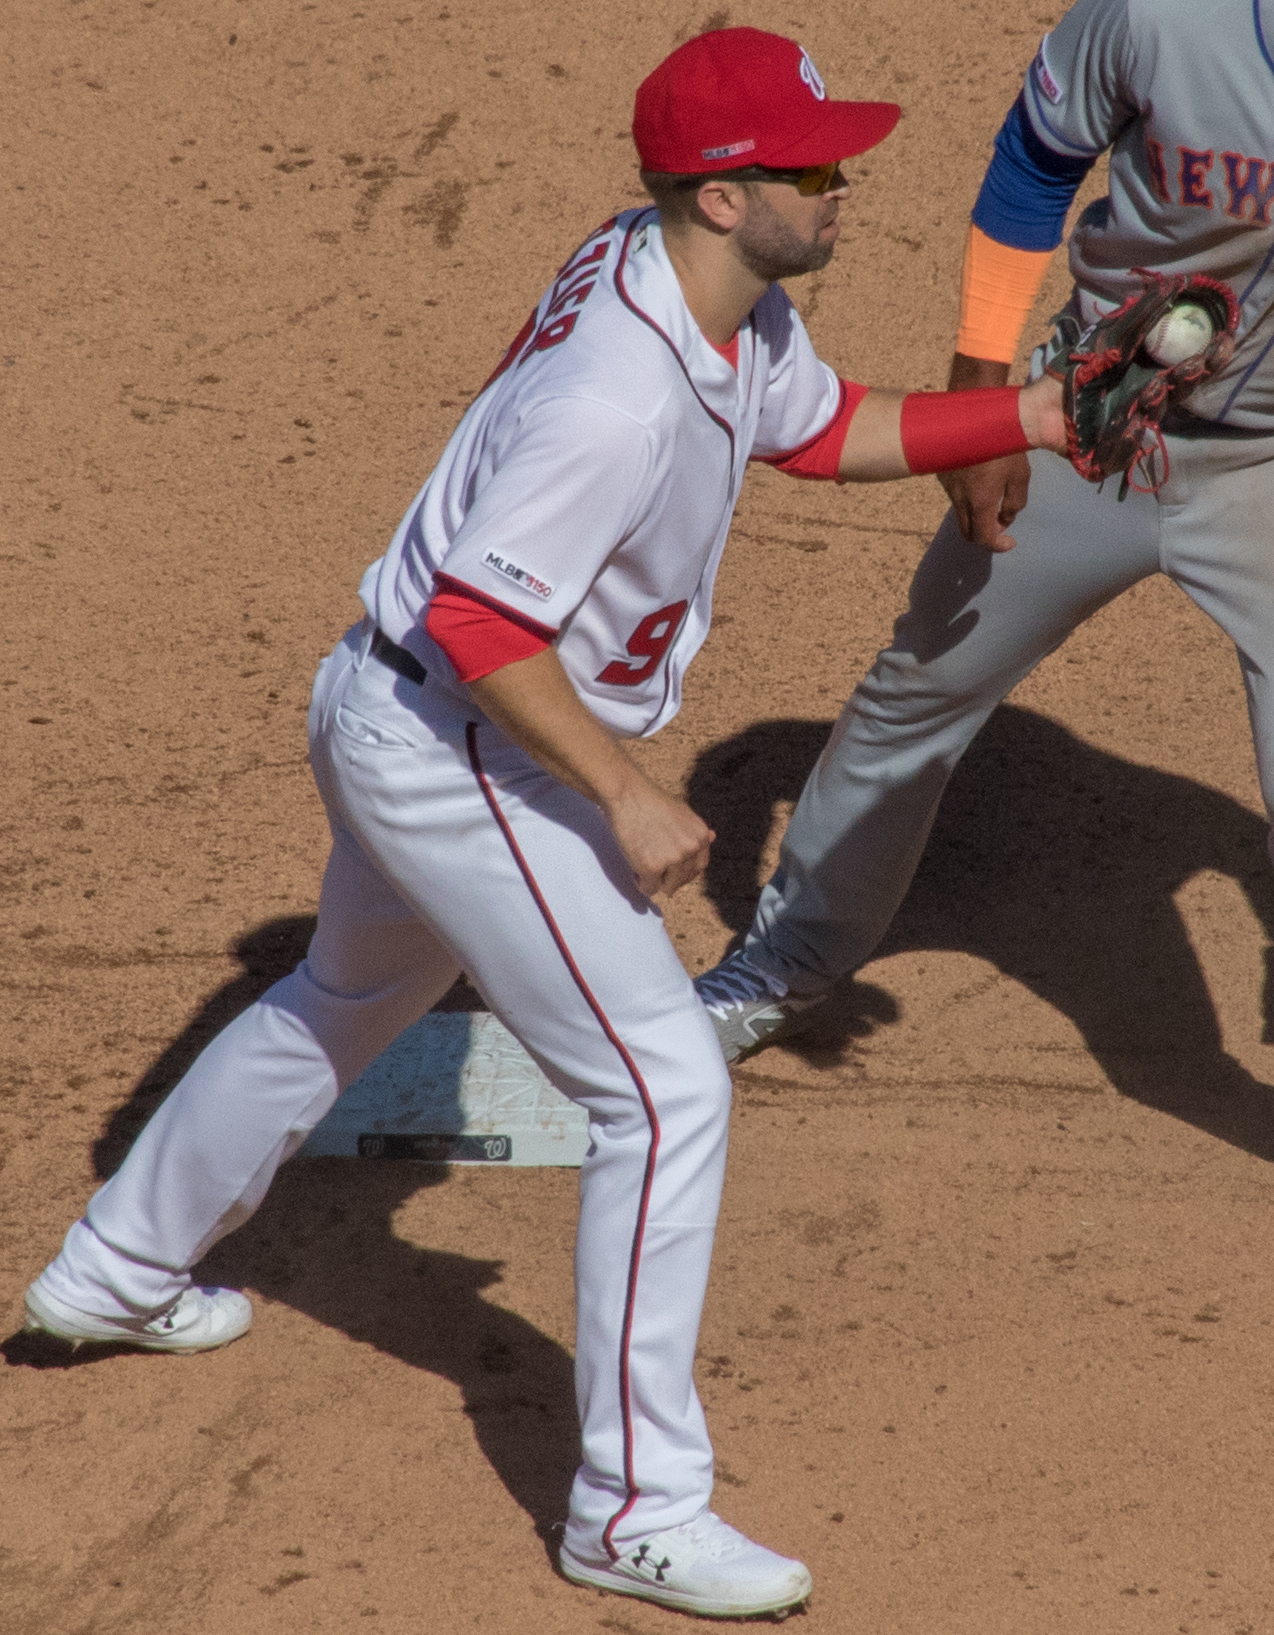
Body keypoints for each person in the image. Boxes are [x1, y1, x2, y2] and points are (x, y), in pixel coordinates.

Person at [22, 28, 1063, 1619]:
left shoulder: (702, 287)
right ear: (719, 197)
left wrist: (1034, 417)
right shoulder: (613, 405)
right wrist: (627, 792)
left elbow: (817, 428)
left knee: (348, 995)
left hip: (399, 710)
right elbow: (484, 625)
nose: (841, 181)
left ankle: (114, 1270)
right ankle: (635, 1507)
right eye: (807, 165)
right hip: (464, 741)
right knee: (663, 1087)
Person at [695, 0, 1274, 1065]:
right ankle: (782, 962)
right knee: (920, 685)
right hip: (1092, 416)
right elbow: (1031, 164)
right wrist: (982, 398)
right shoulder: (1158, 17)